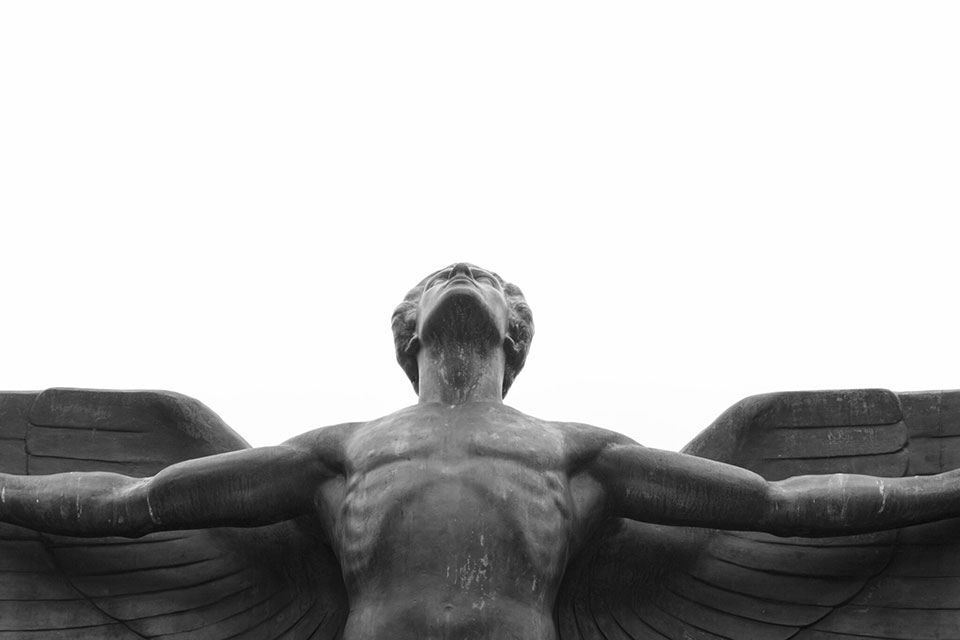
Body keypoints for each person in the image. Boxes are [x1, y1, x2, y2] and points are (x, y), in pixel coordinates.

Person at [1, 262, 959, 640]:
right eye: (442, 279)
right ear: (408, 330)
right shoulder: (340, 452)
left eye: (484, 278)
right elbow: (144, 501)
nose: (461, 278)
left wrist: (946, 486)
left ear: (517, 332)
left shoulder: (577, 452)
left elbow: (771, 504)